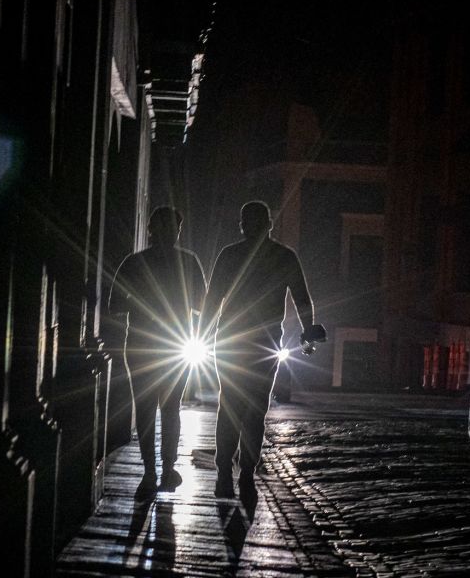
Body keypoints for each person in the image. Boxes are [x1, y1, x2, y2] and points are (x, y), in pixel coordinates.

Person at [201, 201, 320, 499]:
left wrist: (201, 334)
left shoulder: (229, 256)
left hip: (229, 341)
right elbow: (302, 299)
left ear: (243, 225)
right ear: (269, 224)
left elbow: (212, 301)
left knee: (229, 404)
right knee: (255, 409)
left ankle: (225, 473)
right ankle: (246, 474)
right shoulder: (284, 257)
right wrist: (307, 333)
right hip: (264, 343)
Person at [107, 206, 208, 496]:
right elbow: (203, 305)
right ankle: (167, 469)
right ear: (175, 231)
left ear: (150, 229)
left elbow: (114, 305)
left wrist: (141, 302)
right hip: (176, 343)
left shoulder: (134, 262)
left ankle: (150, 471)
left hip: (140, 344)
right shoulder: (189, 262)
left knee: (146, 410)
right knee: (171, 409)